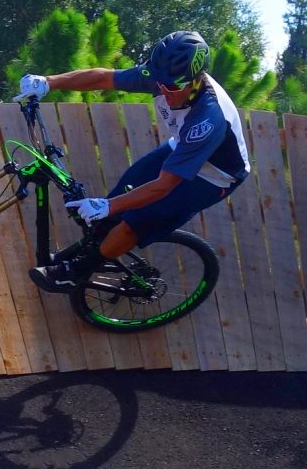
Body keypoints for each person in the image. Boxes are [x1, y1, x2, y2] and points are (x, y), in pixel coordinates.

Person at [17, 30, 250, 287]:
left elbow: (164, 185)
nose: (163, 90)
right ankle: (96, 249)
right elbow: (105, 79)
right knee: (118, 199)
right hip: (181, 149)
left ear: (195, 80)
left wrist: (110, 206)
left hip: (214, 176)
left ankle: (77, 272)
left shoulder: (208, 119)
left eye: (172, 86)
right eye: (160, 83)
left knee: (133, 219)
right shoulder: (162, 77)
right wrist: (49, 82)